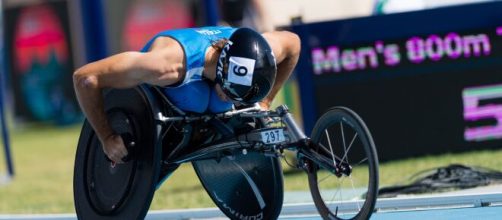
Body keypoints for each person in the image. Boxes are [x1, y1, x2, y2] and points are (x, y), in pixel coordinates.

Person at [73, 26, 300, 163]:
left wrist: (264, 101)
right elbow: (85, 78)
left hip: (208, 75)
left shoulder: (257, 49)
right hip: (178, 74)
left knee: (220, 103)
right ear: (221, 73)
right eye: (233, 96)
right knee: (200, 100)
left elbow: (293, 43)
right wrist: (107, 137)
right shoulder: (163, 66)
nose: (233, 103)